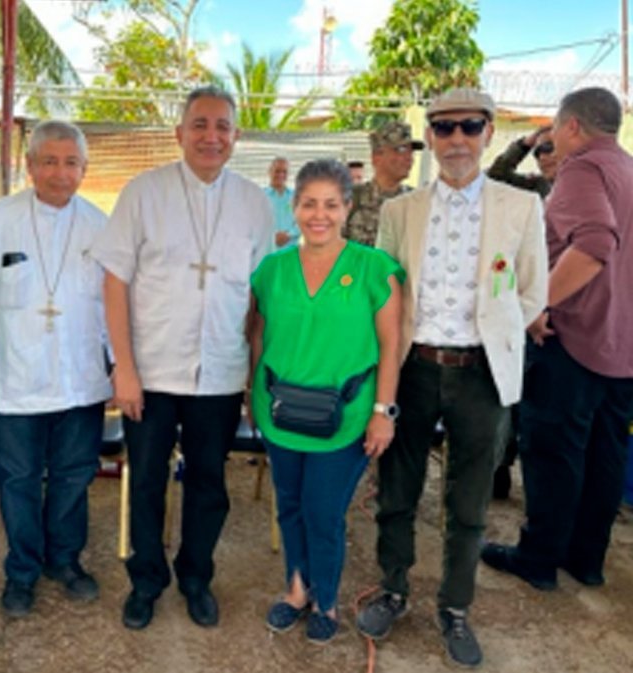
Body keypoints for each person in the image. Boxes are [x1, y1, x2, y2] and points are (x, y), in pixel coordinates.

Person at [356, 88, 548, 669]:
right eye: (443, 128)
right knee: (397, 489)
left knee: (468, 499)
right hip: (412, 367)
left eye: (469, 127)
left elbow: (532, 289)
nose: (457, 139)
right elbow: (382, 292)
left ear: (489, 132)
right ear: (430, 138)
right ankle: (393, 588)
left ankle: (455, 606)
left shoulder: (521, 207)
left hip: (481, 373)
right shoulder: (400, 211)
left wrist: (498, 331)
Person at [90, 86, 273, 631]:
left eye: (222, 126)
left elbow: (261, 294)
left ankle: (196, 576)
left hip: (219, 370)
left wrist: (252, 375)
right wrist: (123, 366)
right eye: (199, 124)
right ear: (179, 133)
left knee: (209, 482)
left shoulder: (254, 203)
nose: (210, 136)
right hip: (150, 369)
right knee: (145, 478)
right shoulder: (143, 192)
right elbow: (114, 279)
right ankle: (146, 580)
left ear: (236, 136)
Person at [481, 87, 633, 592]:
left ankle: (539, 557)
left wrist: (539, 304)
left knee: (553, 450)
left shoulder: (583, 170)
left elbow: (593, 246)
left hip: (576, 338)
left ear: (571, 127)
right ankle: (586, 559)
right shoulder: (627, 168)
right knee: (603, 454)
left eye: (555, 132)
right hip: (621, 343)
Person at [249, 159, 403, 642]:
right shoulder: (271, 269)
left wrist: (383, 412)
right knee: (289, 505)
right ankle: (296, 589)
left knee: (323, 510)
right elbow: (256, 335)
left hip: (345, 417)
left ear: (347, 207)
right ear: (293, 208)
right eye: (309, 204)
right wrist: (250, 396)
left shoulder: (373, 268)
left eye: (331, 204)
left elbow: (391, 347)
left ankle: (328, 601)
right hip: (281, 414)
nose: (319, 215)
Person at [0, 120, 110, 618]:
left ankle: (65, 561)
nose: (60, 172)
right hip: (15, 380)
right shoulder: (1, 219)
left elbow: (112, 307)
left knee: (73, 477)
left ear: (84, 169)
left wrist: (117, 370)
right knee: (18, 480)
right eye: (49, 161)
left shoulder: (100, 225)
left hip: (81, 379)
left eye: (71, 162)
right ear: (29, 166)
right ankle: (22, 570)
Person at [486, 126, 559, 499]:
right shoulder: (532, 188)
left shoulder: (581, 189)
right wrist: (524, 143)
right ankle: (501, 467)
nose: (545, 155)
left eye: (551, 148)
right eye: (540, 151)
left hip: (559, 309)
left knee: (544, 405)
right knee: (511, 394)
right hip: (524, 306)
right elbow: (495, 176)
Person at [344, 121, 423, 247]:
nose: (409, 158)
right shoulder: (351, 199)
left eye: (411, 151)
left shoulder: (418, 202)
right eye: (400, 150)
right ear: (376, 157)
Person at [486, 126, 556, 199]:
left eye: (548, 148)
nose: (542, 158)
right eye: (537, 153)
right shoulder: (540, 185)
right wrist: (524, 145)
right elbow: (496, 176)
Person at [264, 157, 299, 248]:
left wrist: (289, 234)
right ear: (269, 172)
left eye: (284, 172)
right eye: (277, 171)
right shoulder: (260, 196)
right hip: (267, 249)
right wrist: (271, 237)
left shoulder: (297, 197)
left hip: (290, 249)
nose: (281, 175)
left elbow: (304, 220)